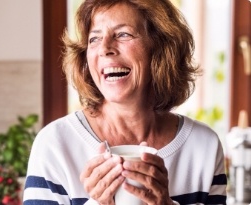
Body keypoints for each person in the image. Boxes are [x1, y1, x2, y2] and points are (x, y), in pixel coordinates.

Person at [23, 0, 227, 204]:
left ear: (161, 48)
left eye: (123, 34)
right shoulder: (55, 144)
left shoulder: (203, 146)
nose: (104, 48)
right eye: (94, 38)